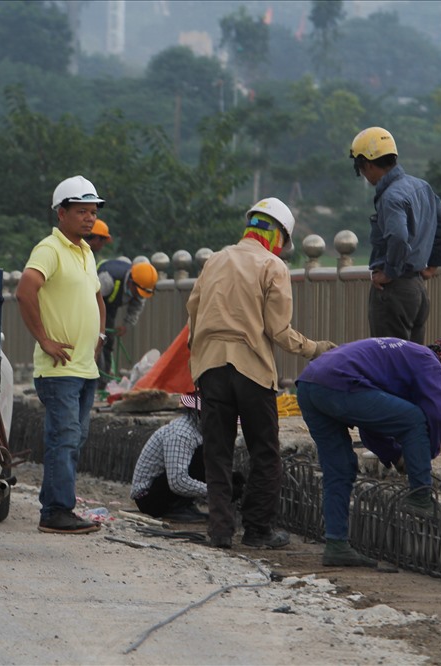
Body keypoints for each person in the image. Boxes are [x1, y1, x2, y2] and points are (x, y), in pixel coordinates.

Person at [187, 197, 336, 550]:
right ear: (279, 236)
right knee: (264, 452)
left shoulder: (214, 260)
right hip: (252, 371)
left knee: (217, 453)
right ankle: (257, 530)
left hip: (210, 368)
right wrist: (315, 348)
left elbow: (192, 315)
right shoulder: (273, 266)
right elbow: (278, 331)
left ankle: (220, 531)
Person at [296, 336, 441, 567]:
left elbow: (371, 428)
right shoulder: (430, 362)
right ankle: (420, 497)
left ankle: (336, 545)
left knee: (338, 467)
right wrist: (423, 457)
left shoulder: (403, 360)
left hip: (310, 384)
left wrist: (396, 456)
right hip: (337, 383)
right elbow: (437, 415)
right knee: (413, 419)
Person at [15, 175, 107, 535]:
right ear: (61, 213)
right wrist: (45, 340)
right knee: (64, 437)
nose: (89, 218)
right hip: (59, 369)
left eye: (93, 212)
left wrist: (99, 334)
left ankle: (58, 506)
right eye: (82, 211)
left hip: (85, 368)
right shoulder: (49, 250)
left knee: (75, 438)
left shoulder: (85, 252)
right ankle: (55, 511)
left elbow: (97, 296)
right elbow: (25, 291)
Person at [350, 127, 441, 344]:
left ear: (367, 164)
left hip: (394, 291)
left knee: (389, 363)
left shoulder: (390, 197)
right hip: (417, 290)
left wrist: (390, 272)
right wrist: (433, 266)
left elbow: (398, 237)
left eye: (360, 167)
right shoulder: (421, 186)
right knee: (411, 363)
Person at [130, 392, 209, 522]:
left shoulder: (199, 431)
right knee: (202, 456)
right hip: (150, 498)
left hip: (163, 488)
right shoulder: (182, 433)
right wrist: (214, 490)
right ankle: (174, 508)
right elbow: (177, 481)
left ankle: (183, 505)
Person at [96, 259, 157, 384]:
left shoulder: (141, 286)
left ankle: (104, 382)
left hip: (109, 306)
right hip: (92, 304)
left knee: (108, 341)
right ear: (131, 282)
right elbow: (88, 300)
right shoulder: (107, 280)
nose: (137, 295)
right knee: (98, 341)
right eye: (136, 292)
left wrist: (126, 325)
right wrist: (97, 327)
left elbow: (136, 306)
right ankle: (95, 379)